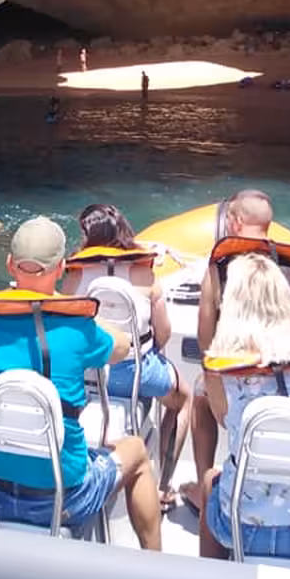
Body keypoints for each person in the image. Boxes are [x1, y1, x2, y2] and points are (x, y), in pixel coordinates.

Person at [0, 216, 161, 549]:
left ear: (9, 265)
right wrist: (80, 311)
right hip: (67, 497)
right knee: (136, 452)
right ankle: (155, 566)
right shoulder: (78, 329)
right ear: (61, 268)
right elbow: (121, 347)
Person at [199, 253, 290, 567]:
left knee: (210, 480)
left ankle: (209, 575)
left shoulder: (221, 369)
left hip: (240, 527)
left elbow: (224, 420)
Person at [181, 189, 290, 514]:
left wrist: (217, 379)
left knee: (199, 394)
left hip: (235, 386)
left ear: (234, 220)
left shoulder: (219, 269)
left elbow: (206, 340)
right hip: (289, 389)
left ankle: (203, 485)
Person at [63, 203, 192, 510]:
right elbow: (162, 334)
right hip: (138, 372)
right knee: (184, 399)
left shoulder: (73, 278)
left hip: (89, 375)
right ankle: (163, 486)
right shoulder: (144, 274)